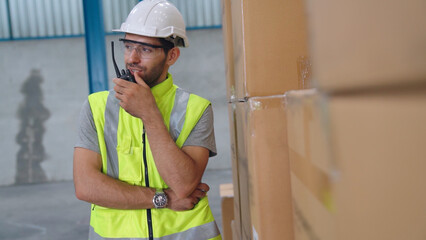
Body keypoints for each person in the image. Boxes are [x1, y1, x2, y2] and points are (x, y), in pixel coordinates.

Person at [73, 0, 221, 239]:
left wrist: (150, 114)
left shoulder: (196, 109)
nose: (132, 58)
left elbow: (183, 185)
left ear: (172, 55)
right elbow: (86, 186)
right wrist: (162, 199)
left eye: (145, 50)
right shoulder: (96, 107)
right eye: (128, 46)